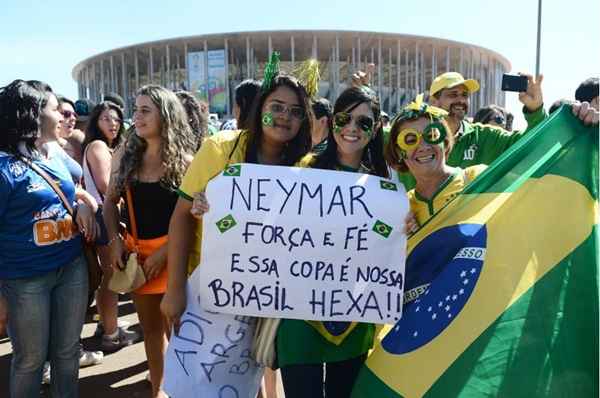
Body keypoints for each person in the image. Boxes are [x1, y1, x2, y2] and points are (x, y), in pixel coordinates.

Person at [161, 73, 312, 398]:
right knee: (197, 384)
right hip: (207, 294)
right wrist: (174, 290)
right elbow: (180, 218)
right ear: (260, 109)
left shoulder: (305, 167)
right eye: (277, 106)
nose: (285, 116)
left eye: (296, 111)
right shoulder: (220, 149)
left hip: (266, 295)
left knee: (247, 377)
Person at [276, 86, 389, 398]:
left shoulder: (384, 186)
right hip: (299, 315)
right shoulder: (304, 170)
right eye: (345, 119)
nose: (352, 128)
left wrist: (402, 226)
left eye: (363, 122)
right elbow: (265, 224)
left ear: (376, 127)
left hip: (354, 316)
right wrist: (213, 201)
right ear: (333, 121)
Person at [0, 79, 98, 398]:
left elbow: (75, 189)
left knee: (67, 355)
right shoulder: (4, 168)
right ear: (33, 114)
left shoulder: (54, 153)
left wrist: (83, 204)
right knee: (30, 361)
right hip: (25, 279)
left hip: (71, 268)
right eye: (56, 110)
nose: (64, 118)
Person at [103, 85, 196, 398]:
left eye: (146, 110)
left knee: (180, 336)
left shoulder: (185, 161)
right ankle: (158, 392)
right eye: (136, 109)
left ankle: (184, 392)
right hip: (140, 260)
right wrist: (115, 240)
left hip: (177, 260)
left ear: (165, 115)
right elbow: (109, 202)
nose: (137, 116)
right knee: (152, 334)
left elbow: (193, 216)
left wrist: (166, 252)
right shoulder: (127, 156)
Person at [391, 71, 546, 190]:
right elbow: (369, 136)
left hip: (465, 229)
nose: (461, 100)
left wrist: (535, 110)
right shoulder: (402, 134)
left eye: (465, 95)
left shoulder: (484, 137)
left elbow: (531, 144)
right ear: (434, 101)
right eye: (453, 94)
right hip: (415, 227)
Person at [82, 101, 138, 352]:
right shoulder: (98, 146)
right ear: (96, 122)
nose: (113, 123)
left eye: (116, 119)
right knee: (111, 277)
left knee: (110, 276)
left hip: (105, 218)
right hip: (105, 219)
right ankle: (112, 334)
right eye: (106, 119)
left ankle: (108, 326)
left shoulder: (106, 146)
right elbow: (107, 186)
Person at [57, 96, 86, 164]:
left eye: (74, 115)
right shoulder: (43, 148)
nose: (73, 118)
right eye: (67, 114)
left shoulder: (70, 147)